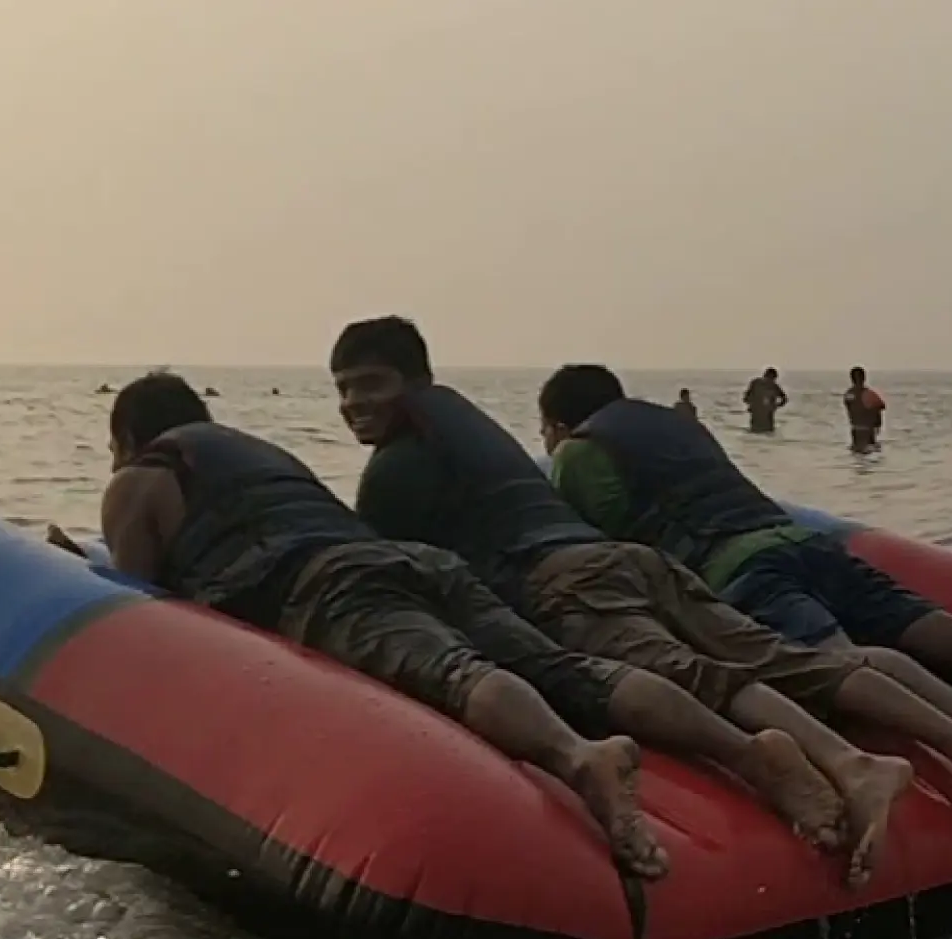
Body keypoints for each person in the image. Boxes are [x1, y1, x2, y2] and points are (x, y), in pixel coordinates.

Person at [330, 319, 952, 879]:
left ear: (414, 384)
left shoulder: (395, 468)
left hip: (562, 579)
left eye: (372, 385)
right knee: (779, 656)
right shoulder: (467, 429)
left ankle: (851, 766)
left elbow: (386, 581)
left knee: (699, 676)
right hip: (632, 560)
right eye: (343, 390)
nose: (356, 403)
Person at [59, 373, 668, 882]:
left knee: (457, 674)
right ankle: (744, 747)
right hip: (412, 562)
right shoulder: (260, 454)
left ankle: (577, 757)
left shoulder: (139, 478)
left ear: (127, 437)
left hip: (330, 586)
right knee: (564, 669)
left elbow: (146, 609)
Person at [536, 364, 952, 781]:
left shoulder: (579, 452)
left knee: (837, 665)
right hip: (808, 542)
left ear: (557, 421)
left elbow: (613, 551)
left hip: (742, 569)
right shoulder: (674, 424)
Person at [844, 367, 886, 452]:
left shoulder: (848, 394)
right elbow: (881, 406)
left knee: (857, 452)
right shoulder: (868, 394)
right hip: (868, 430)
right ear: (864, 378)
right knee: (870, 454)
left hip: (855, 430)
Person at [743, 368, 788, 434]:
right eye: (773, 378)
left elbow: (784, 399)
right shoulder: (758, 383)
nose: (772, 380)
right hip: (762, 416)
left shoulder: (772, 386)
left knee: (760, 433)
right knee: (762, 433)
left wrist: (775, 406)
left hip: (762, 416)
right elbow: (746, 397)